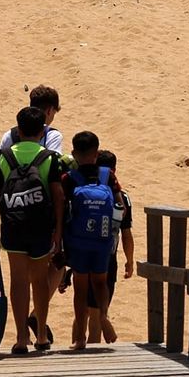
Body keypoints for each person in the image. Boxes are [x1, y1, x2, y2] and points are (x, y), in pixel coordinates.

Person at [0, 107, 66, 355]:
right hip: (41, 228)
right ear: (43, 130)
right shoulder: (49, 158)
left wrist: (4, 215)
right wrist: (57, 229)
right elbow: (58, 196)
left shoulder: (3, 157)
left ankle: (21, 337)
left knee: (19, 280)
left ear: (18, 129)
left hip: (13, 227)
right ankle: (41, 335)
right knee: (40, 280)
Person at [62, 130, 121, 352]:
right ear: (96, 153)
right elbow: (119, 207)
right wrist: (110, 232)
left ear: (74, 153)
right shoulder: (108, 176)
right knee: (100, 282)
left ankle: (80, 337)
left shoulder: (69, 178)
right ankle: (103, 316)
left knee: (80, 288)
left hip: (78, 241)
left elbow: (62, 210)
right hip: (102, 240)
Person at [83, 149, 135, 345]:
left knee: (82, 313)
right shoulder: (121, 197)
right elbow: (126, 233)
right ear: (114, 170)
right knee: (96, 315)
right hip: (107, 258)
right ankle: (93, 356)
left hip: (82, 253)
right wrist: (129, 260)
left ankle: (78, 345)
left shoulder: (83, 191)